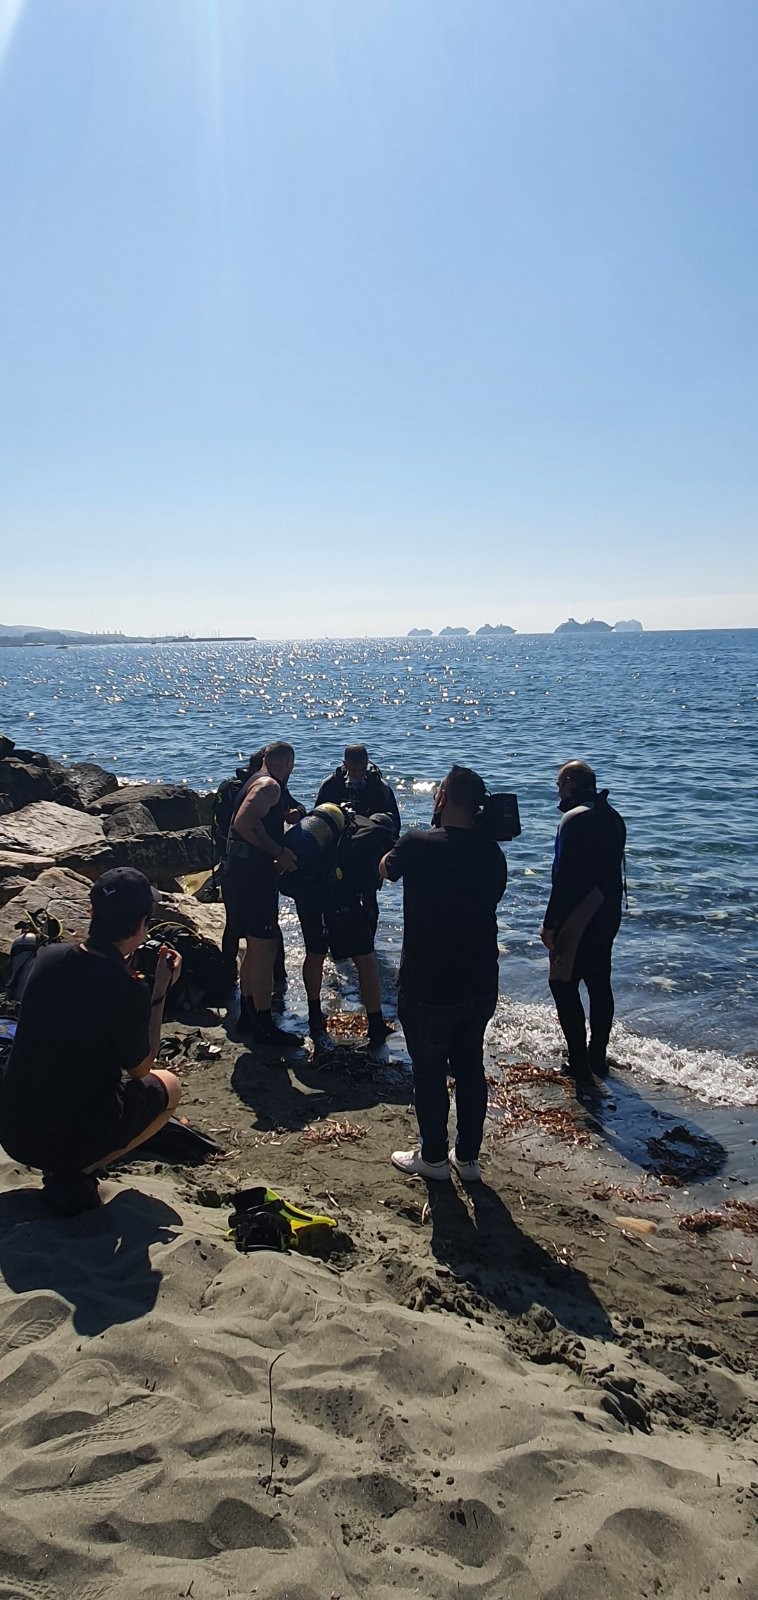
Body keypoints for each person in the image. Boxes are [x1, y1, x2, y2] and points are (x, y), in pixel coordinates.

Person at [0, 867, 182, 1215]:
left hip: (14, 1130)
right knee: (169, 1086)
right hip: (71, 1137)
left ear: (92, 912)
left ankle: (70, 1163)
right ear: (143, 923)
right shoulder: (128, 988)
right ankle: (77, 1169)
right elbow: (142, 1066)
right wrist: (159, 990)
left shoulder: (47, 958)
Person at [379, 765, 508, 1181]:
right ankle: (467, 1159)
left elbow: (385, 869)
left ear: (442, 799)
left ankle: (432, 1157)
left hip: (427, 979)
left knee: (429, 1069)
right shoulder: (492, 852)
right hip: (479, 978)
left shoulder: (417, 842)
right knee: (471, 1066)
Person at [540, 760, 626, 1081]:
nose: (558, 792)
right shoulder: (613, 816)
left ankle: (579, 1063)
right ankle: (598, 1057)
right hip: (610, 910)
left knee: (561, 984)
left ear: (572, 783)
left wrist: (551, 924)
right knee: (599, 982)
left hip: (582, 912)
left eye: (560, 785)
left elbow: (563, 877)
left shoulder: (573, 819)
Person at [283, 808, 396, 1045]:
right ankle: (376, 1025)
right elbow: (369, 884)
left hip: (307, 891)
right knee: (365, 959)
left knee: (315, 953)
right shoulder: (373, 838)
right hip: (340, 898)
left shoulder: (345, 828)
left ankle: (315, 1017)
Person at [221, 740, 303, 1047]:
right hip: (252, 876)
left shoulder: (254, 779)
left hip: (237, 871)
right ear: (287, 763)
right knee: (266, 949)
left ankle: (247, 1013)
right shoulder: (270, 785)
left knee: (254, 948)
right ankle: (265, 1023)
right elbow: (244, 822)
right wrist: (277, 850)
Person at [316, 745, 400, 934]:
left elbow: (393, 827)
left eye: (361, 769)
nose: (356, 774)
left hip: (368, 855)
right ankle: (334, 944)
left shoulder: (379, 788)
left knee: (369, 900)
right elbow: (318, 821)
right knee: (333, 899)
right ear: (344, 765)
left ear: (367, 764)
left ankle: (369, 947)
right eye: (352, 770)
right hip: (338, 853)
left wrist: (386, 859)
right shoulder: (331, 785)